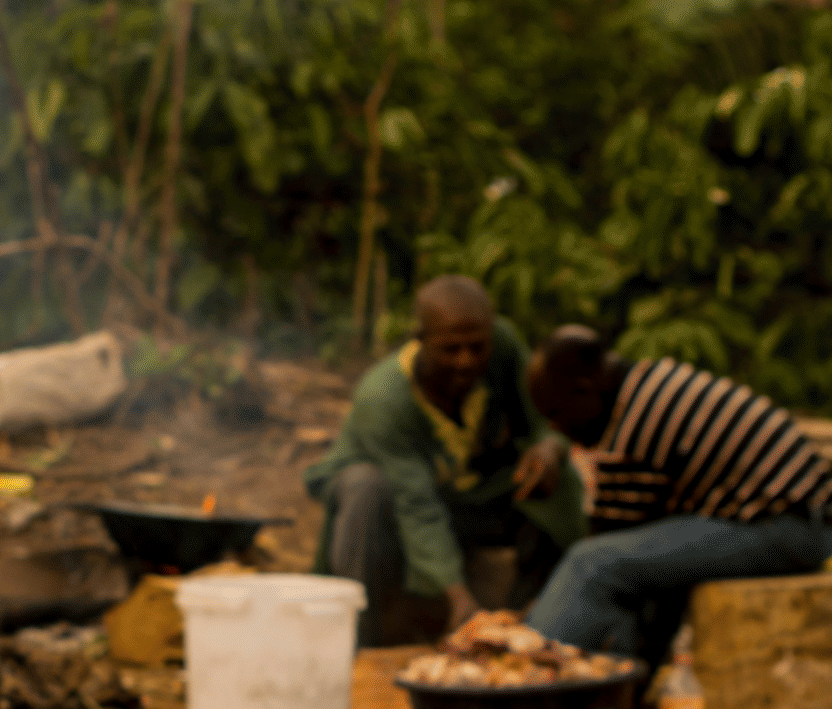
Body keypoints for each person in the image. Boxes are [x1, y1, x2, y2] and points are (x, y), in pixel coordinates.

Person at [526, 326, 832, 668]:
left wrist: (542, 617)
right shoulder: (647, 381)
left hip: (784, 528)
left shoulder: (631, 430)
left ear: (585, 391)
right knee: (623, 569)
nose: (555, 429)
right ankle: (622, 683)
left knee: (590, 564)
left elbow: (605, 545)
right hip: (785, 520)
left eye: (555, 414)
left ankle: (530, 674)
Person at [307, 277, 588, 646]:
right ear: (420, 340)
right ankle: (357, 637)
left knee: (555, 473)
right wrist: (459, 599)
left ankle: (539, 619)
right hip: (390, 504)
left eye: (477, 348)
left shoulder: (503, 346)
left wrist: (550, 447)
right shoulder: (384, 399)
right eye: (450, 350)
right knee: (366, 486)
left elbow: (543, 413)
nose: (466, 361)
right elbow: (417, 506)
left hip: (465, 493)